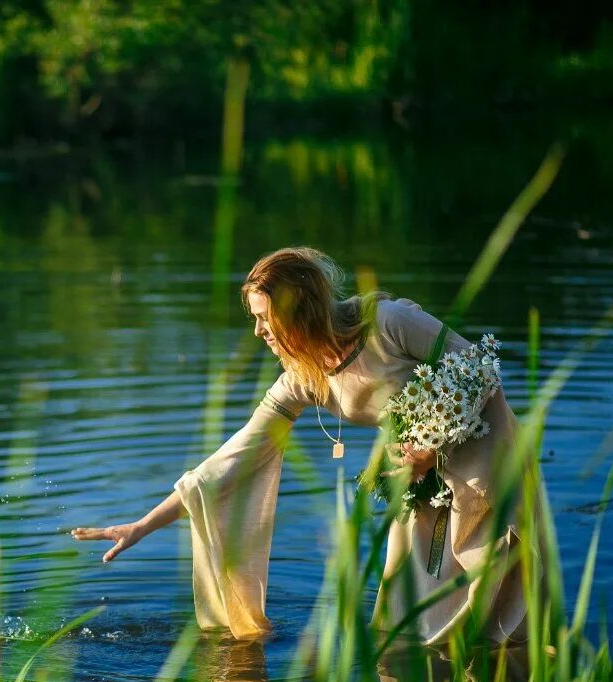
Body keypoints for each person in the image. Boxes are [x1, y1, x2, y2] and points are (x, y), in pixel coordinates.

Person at [72, 247, 546, 645]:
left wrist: (430, 447)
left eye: (264, 317)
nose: (258, 331)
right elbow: (229, 463)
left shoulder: (389, 323)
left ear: (298, 309)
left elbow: (478, 369)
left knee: (498, 611)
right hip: (419, 484)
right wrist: (144, 524)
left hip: (488, 470)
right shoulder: (302, 381)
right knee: (408, 624)